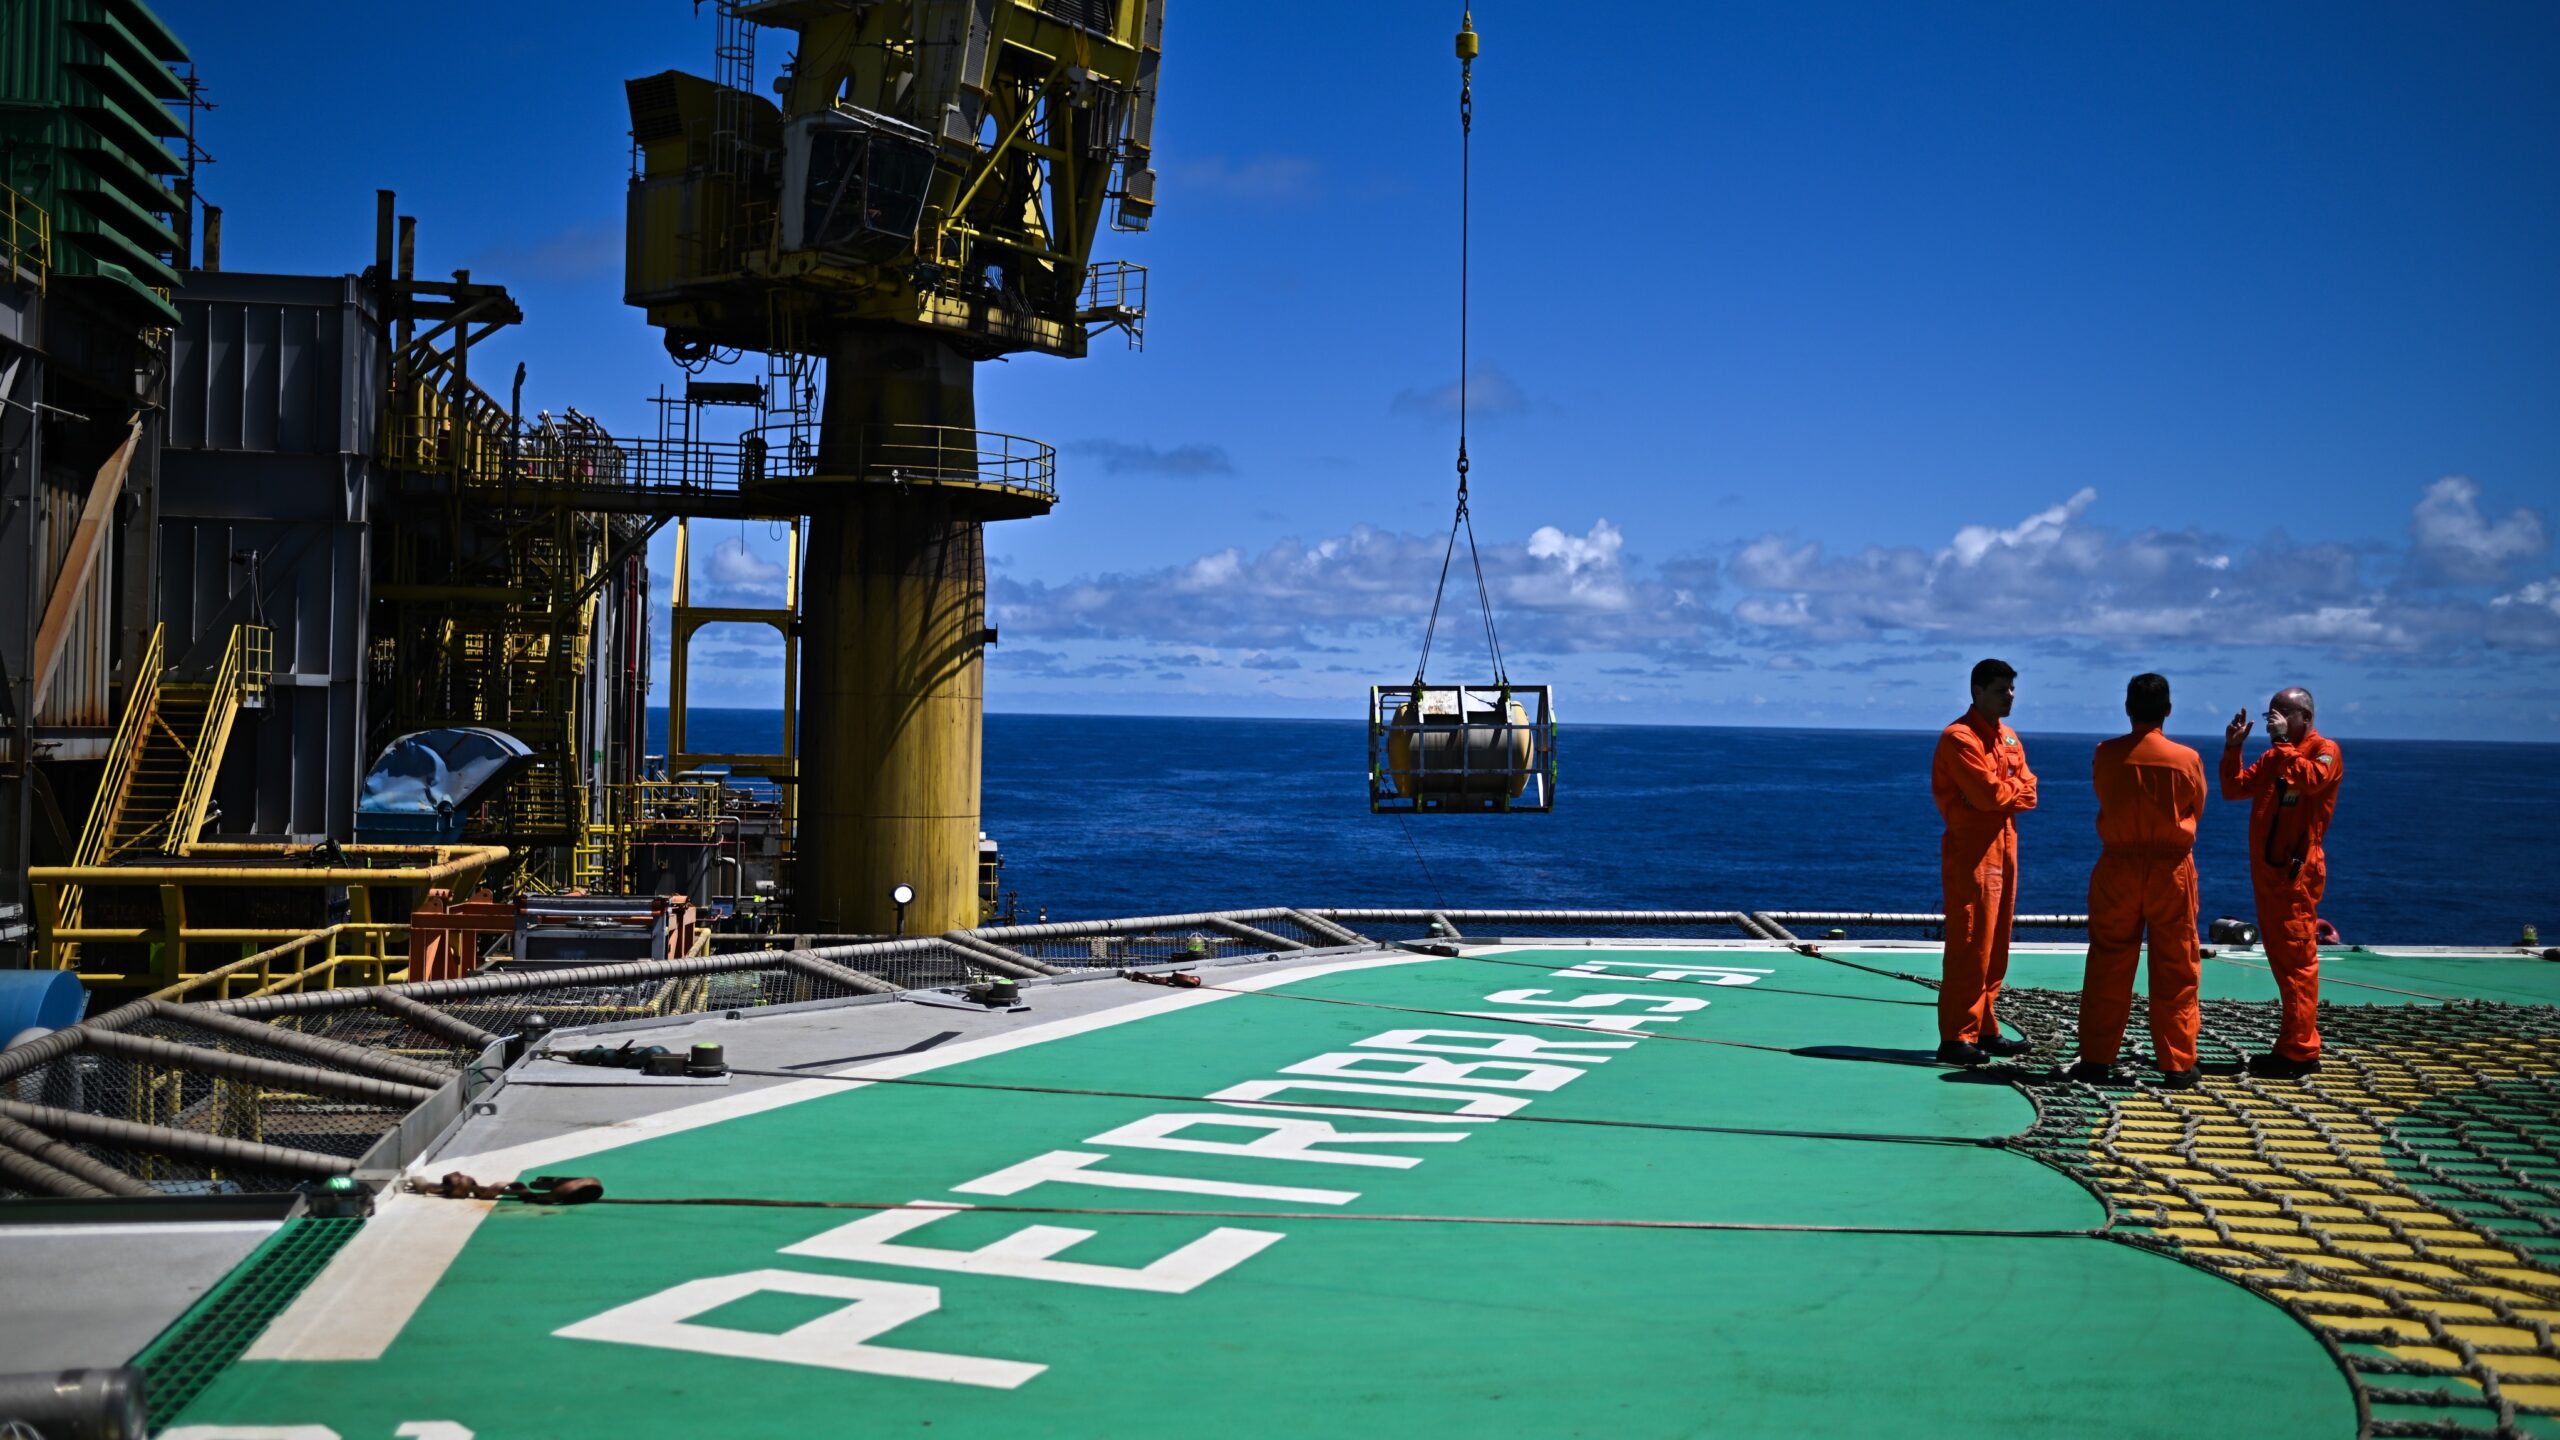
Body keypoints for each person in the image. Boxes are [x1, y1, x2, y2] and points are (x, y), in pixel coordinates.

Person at [2071, 674, 2207, 1088]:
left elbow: (2102, 793)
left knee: (2108, 962)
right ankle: (2178, 1063)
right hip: (2170, 869)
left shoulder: (2106, 754)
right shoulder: (2187, 758)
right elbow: (2195, 804)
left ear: (2127, 708)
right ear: (2168, 710)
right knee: (2176, 964)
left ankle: (2096, 1059)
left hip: (2119, 867)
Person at [2222, 687, 2343, 1079]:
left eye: (2282, 713)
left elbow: (2311, 782)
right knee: (2282, 962)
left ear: (2304, 717)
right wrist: (2233, 748)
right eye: (2271, 713)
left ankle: (2300, 1051)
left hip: (2295, 877)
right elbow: (2234, 788)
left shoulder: (2324, 750)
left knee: (2297, 964)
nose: (2273, 719)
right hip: (2271, 876)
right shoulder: (2278, 755)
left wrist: (2282, 743)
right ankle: (2294, 1043)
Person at [1930, 658, 2038, 1065]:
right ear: (1977, 691)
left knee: (1995, 946)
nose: (2009, 696)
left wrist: (2002, 793)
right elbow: (1991, 796)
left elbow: (2029, 791)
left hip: (2004, 847)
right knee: (1971, 942)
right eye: (2000, 689)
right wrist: (2007, 793)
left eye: (2011, 688)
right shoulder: (1959, 738)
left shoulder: (2008, 738)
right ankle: (1956, 1035)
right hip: (1972, 853)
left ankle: (1984, 1026)